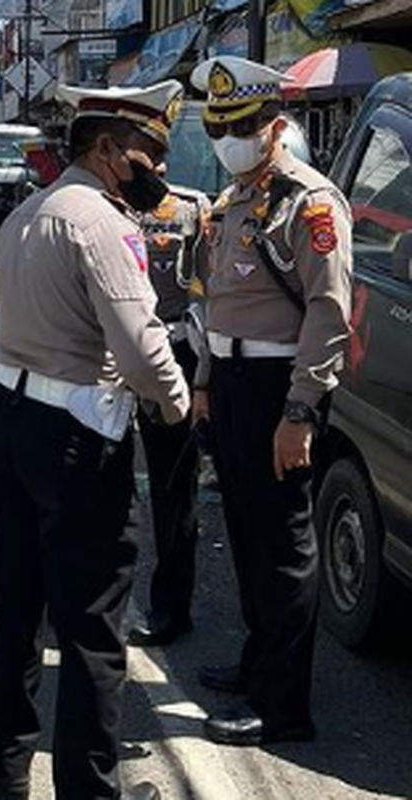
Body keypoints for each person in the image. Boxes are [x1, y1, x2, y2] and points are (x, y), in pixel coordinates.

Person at [0, 80, 190, 800]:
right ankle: (92, 792)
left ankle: (0, 768)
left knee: (16, 606)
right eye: (146, 152)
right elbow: (139, 348)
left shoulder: (27, 214)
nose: (153, 166)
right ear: (105, 149)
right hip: (75, 436)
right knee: (93, 628)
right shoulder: (100, 223)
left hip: (10, 414)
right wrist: (179, 405)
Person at [189, 56, 352, 747]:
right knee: (250, 539)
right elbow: (217, 304)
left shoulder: (309, 202)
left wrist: (300, 411)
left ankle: (284, 708)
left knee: (284, 546)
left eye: (246, 126)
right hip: (229, 386)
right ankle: (259, 666)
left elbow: (328, 311)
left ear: (275, 126)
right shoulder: (231, 202)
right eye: (221, 127)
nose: (232, 138)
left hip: (278, 390)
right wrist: (201, 380)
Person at [127, 180, 211, 648]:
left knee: (172, 490)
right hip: (111, 355)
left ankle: (170, 608)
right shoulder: (102, 207)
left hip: (176, 351)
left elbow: (210, 289)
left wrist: (204, 376)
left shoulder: (192, 208)